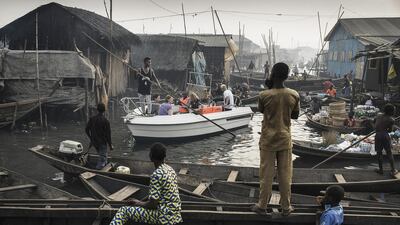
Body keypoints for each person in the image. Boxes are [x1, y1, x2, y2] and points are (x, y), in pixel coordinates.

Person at [251, 62, 300, 216]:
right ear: (287, 75)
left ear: (272, 73)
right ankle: (286, 208)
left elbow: (261, 110)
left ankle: (262, 205)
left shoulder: (264, 95)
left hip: (268, 140)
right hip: (285, 139)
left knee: (266, 175)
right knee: (285, 175)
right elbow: (295, 115)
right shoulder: (294, 94)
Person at [109, 143, 183, 225]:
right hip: (176, 215)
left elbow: (153, 204)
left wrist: (138, 203)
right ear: (164, 156)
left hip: (164, 217)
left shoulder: (157, 174)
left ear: (151, 156)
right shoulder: (170, 169)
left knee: (123, 211)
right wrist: (140, 202)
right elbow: (157, 196)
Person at [85, 103, 113, 170]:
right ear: (104, 110)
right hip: (102, 142)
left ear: (97, 110)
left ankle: (104, 167)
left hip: (94, 142)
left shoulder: (92, 119)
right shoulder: (106, 121)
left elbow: (86, 130)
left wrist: (91, 138)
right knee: (102, 158)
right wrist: (110, 145)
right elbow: (108, 135)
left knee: (103, 156)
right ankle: (99, 171)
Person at [374, 104, 399, 176]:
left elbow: (375, 122)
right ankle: (393, 170)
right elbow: (390, 131)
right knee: (389, 153)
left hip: (377, 135)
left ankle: (380, 170)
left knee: (379, 153)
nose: (394, 112)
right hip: (384, 135)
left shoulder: (378, 115)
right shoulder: (391, 120)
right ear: (390, 111)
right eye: (394, 110)